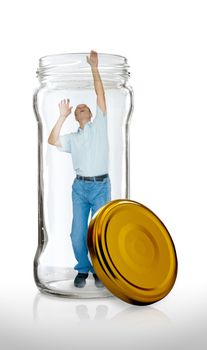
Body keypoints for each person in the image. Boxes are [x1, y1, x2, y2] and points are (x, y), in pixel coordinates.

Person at [48, 50, 111, 288]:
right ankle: (83, 269)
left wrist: (94, 67)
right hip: (80, 188)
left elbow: (100, 93)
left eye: (86, 107)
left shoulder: (100, 126)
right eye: (78, 109)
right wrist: (62, 116)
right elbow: (52, 140)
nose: (82, 108)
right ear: (76, 116)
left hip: (101, 185)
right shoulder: (73, 138)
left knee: (101, 231)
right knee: (77, 234)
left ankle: (100, 270)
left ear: (92, 113)